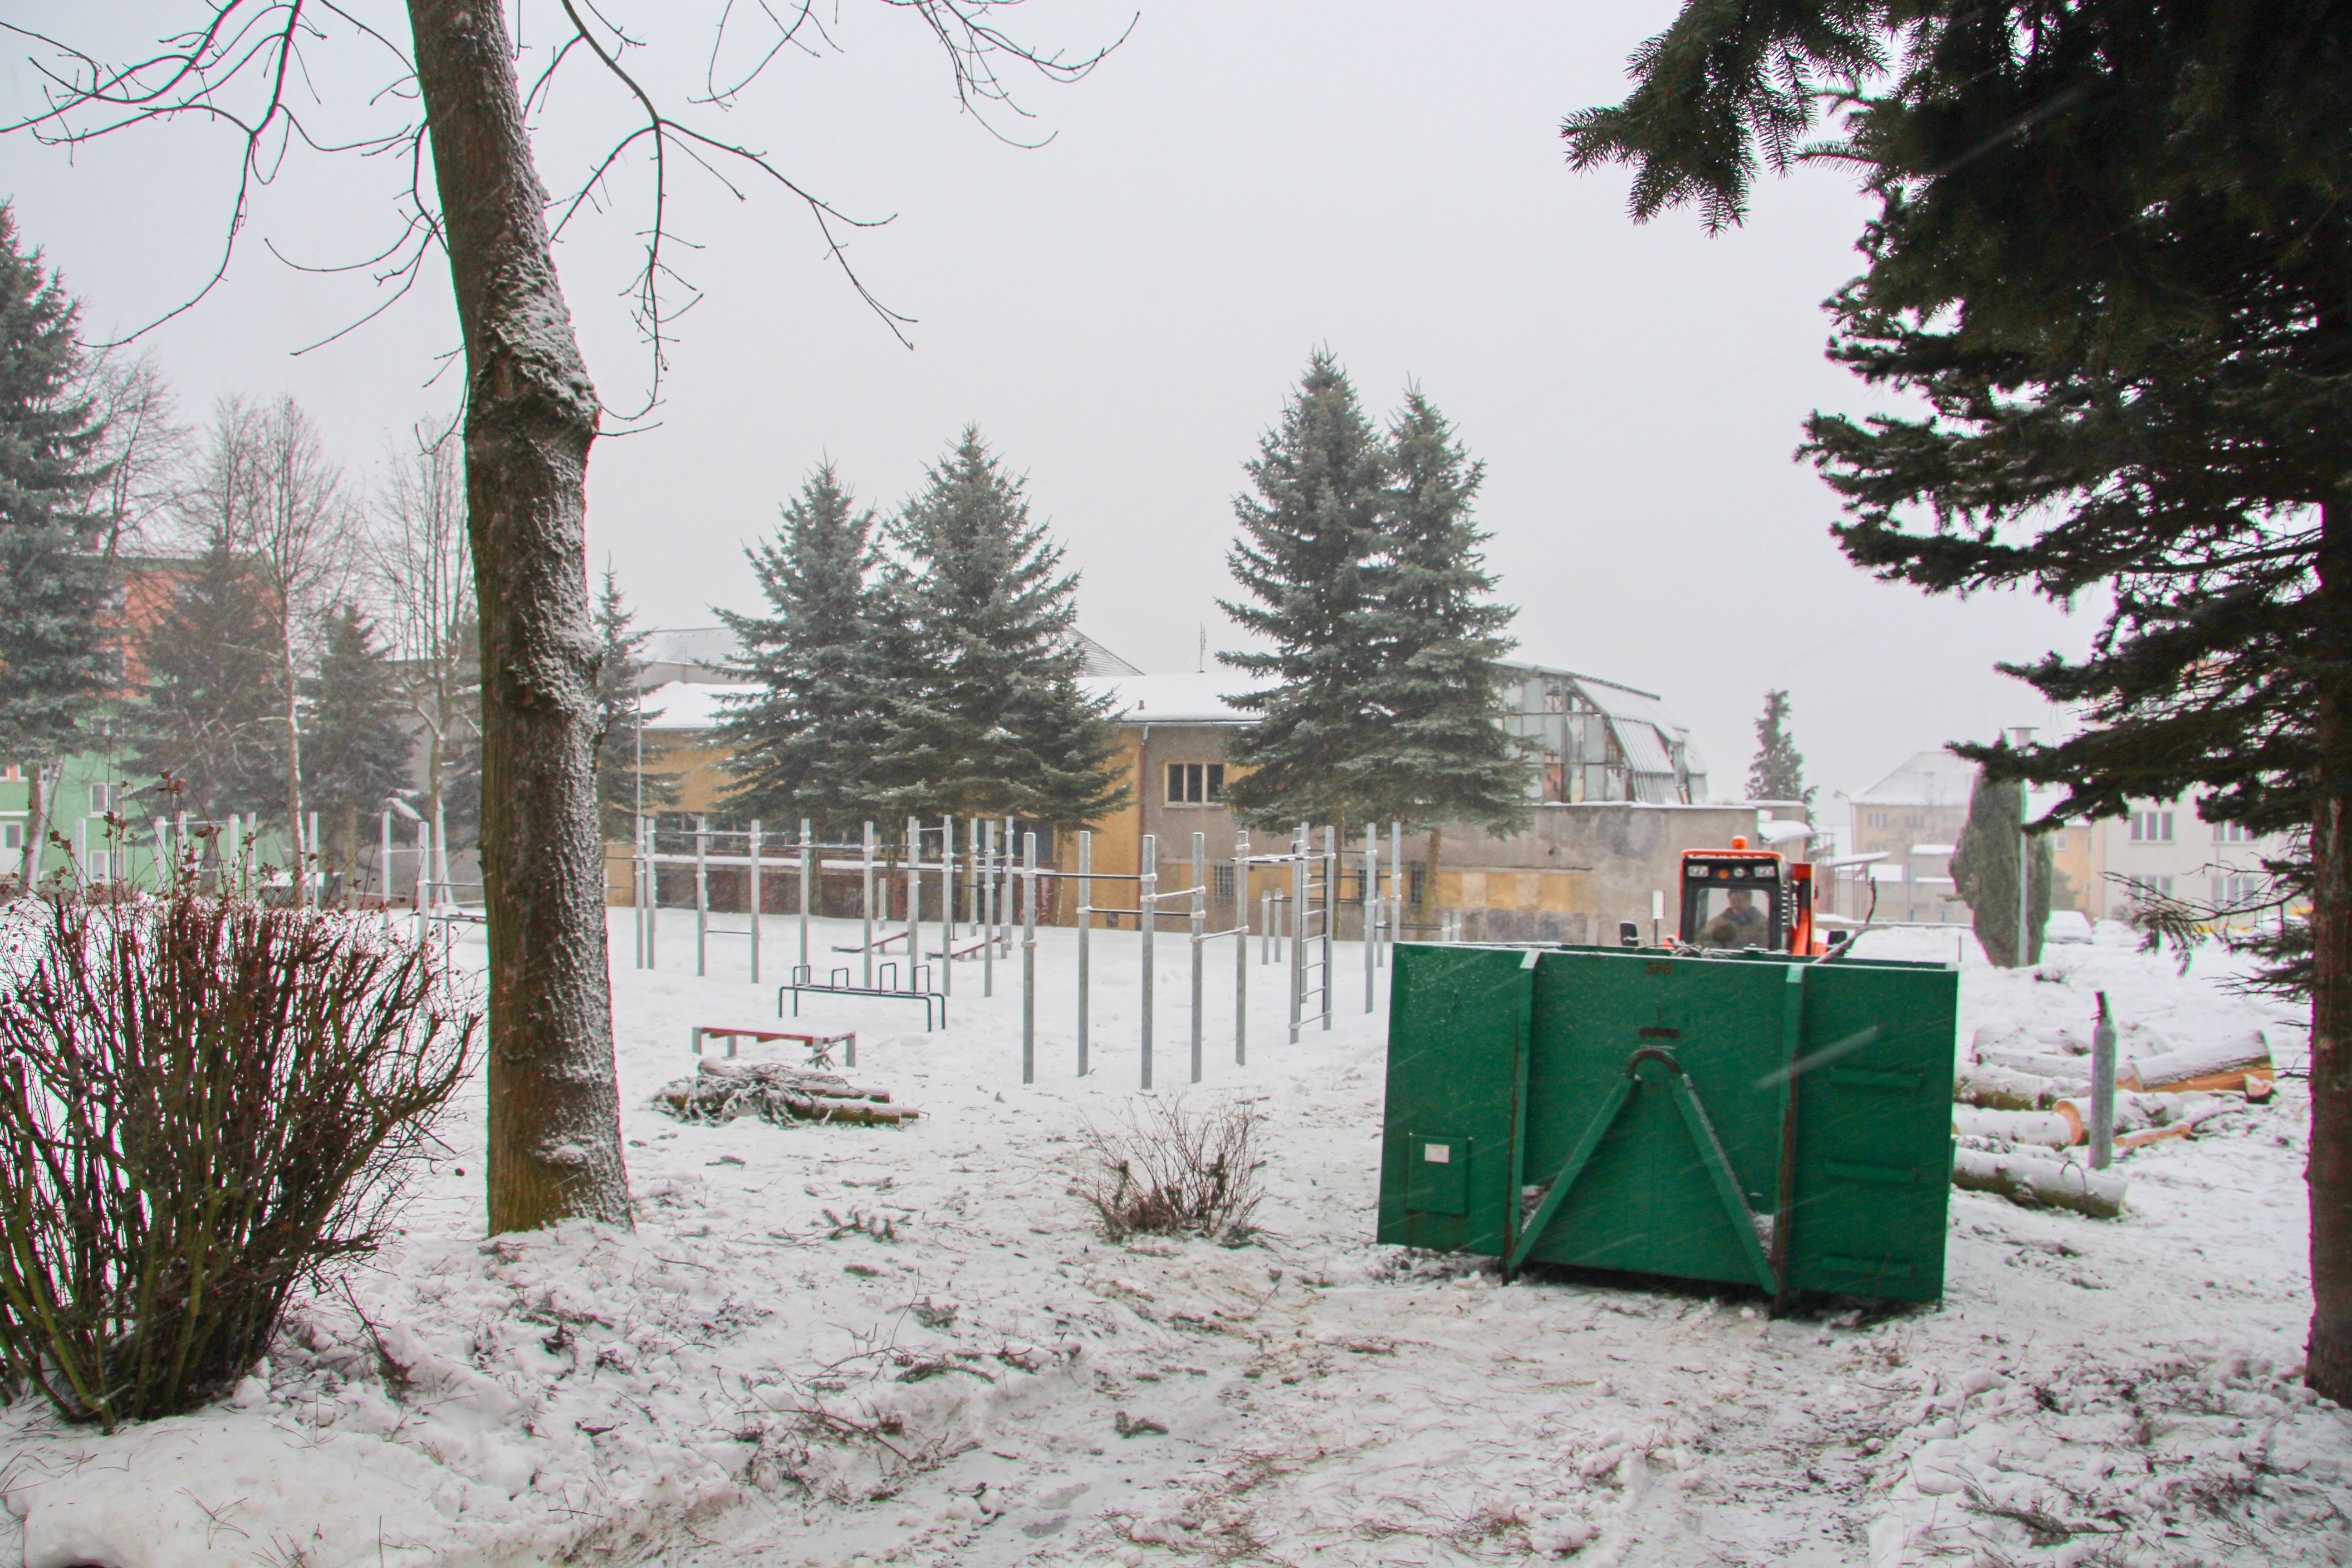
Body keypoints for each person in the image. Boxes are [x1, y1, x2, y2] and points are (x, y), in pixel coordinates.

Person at [1701, 888, 1769, 949]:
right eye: (1734, 900)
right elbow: (1706, 944)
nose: (1738, 903)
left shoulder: (1765, 924)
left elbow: (1767, 945)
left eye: (1742, 900)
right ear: (1730, 900)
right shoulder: (1716, 924)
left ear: (1750, 900)